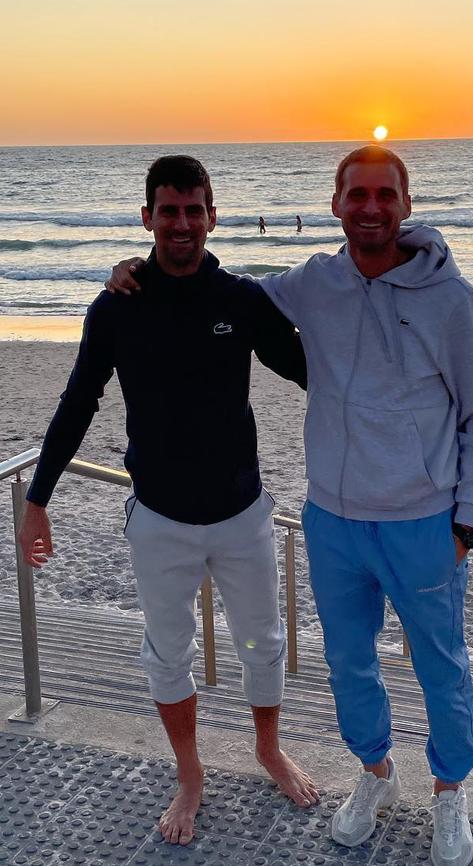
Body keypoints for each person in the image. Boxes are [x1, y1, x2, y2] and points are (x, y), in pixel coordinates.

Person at [106, 147, 473, 865]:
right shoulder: (315, 282)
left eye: (384, 195)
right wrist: (136, 270)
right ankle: (375, 775)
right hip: (333, 520)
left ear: (405, 203)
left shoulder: (452, 299)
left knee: (440, 664)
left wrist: (468, 520)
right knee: (348, 664)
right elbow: (220, 291)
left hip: (424, 520)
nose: (370, 208)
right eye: (357, 195)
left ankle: (449, 791)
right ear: (335, 204)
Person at [18, 155, 318, 849]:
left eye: (194, 210)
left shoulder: (240, 299)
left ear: (214, 216)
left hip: (243, 514)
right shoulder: (118, 304)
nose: (181, 224)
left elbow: (317, 373)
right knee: (167, 653)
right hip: (158, 519)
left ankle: (268, 748)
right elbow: (77, 401)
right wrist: (38, 498)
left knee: (263, 643)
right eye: (168, 210)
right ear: (147, 216)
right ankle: (190, 772)